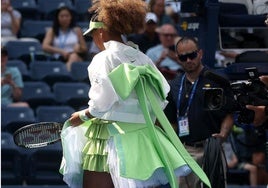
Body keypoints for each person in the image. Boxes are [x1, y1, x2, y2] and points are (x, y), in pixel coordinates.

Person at [59, 1, 211, 188]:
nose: (94, 42)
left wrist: (81, 116)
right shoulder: (143, 58)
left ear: (101, 33)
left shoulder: (103, 58)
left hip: (109, 140)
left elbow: (100, 105)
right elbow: (161, 99)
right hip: (141, 141)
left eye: (92, 37)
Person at [164, 36, 235, 188]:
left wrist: (223, 135)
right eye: (183, 57)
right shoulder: (174, 85)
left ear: (200, 54)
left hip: (211, 148)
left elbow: (229, 113)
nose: (188, 60)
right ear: (178, 58)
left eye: (192, 55)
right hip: (185, 149)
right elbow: (171, 121)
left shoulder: (218, 79)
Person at [42, 6, 88, 71]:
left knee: (73, 56)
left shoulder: (77, 30)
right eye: (62, 16)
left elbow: (84, 48)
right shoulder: (52, 31)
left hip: (74, 56)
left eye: (67, 16)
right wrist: (61, 52)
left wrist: (79, 49)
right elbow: (45, 46)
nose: (64, 18)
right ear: (57, 18)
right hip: (57, 58)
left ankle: (66, 73)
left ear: (71, 17)